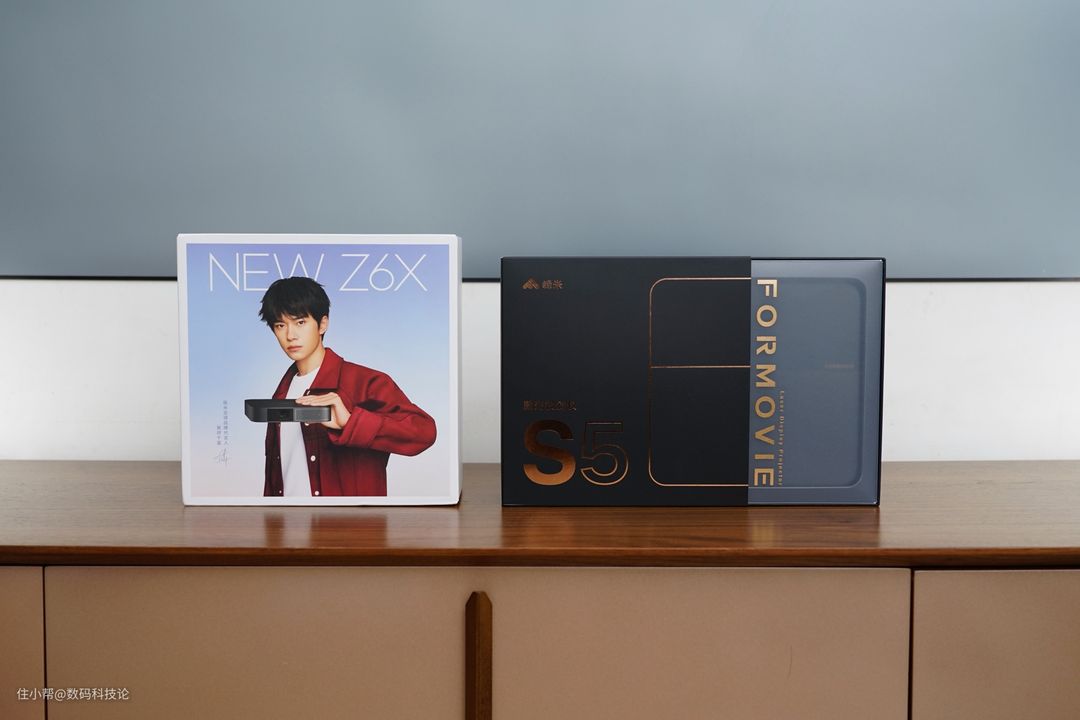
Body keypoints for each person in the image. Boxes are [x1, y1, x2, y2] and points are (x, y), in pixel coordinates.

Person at [257, 277, 436, 497]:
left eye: (300, 322)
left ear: (323, 324)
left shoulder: (364, 382)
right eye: (280, 325)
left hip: (346, 519)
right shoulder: (281, 394)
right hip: (287, 518)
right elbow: (277, 477)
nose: (290, 335)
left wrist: (352, 423)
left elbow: (424, 432)